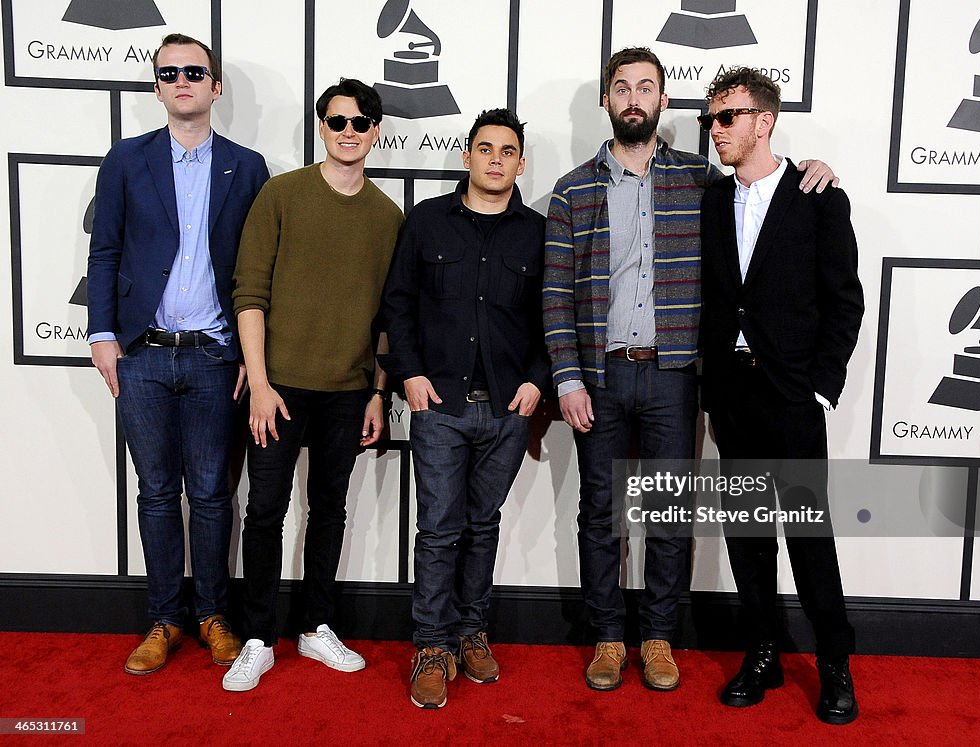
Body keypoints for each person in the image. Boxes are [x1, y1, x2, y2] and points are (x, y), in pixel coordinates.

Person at [542, 47, 837, 692]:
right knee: (602, 513)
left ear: (663, 102)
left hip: (677, 375)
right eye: (621, 87)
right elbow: (555, 294)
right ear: (606, 101)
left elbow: (770, 194)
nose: (633, 98)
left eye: (646, 87)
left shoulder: (703, 185)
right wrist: (565, 377)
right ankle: (608, 638)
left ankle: (658, 638)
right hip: (599, 377)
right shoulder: (570, 191)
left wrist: (814, 168)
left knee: (671, 512)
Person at [86, 33, 269, 675]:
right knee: (158, 492)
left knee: (214, 494)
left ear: (215, 86)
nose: (183, 80)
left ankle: (214, 616)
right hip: (140, 354)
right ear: (157, 87)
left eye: (196, 72)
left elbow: (257, 268)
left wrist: (255, 350)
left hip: (216, 355)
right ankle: (164, 619)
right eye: (171, 73)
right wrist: (102, 334)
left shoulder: (247, 166)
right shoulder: (125, 161)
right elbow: (104, 251)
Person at [221, 78, 403, 692]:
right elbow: (249, 292)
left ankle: (316, 624)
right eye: (337, 120)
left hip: (348, 393)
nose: (348, 132)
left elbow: (388, 320)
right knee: (265, 510)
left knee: (330, 508)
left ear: (376, 132)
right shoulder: (281, 194)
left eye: (360, 122)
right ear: (321, 126)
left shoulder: (387, 216)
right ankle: (256, 637)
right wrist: (263, 382)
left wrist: (378, 391)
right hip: (278, 389)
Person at [698, 67, 864, 725]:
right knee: (746, 533)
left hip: (793, 396)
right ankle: (762, 650)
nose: (716, 129)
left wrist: (821, 389)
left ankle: (834, 662)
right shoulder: (711, 199)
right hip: (732, 396)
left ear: (764, 120)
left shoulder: (818, 197)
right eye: (712, 118)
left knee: (808, 534)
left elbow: (843, 303)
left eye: (729, 116)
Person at [379, 108, 548, 709]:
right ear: (467, 155)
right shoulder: (427, 222)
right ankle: (431, 644)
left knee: (482, 526)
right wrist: (410, 375)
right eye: (485, 148)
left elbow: (551, 316)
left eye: (507, 150)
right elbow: (396, 304)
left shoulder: (539, 231)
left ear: (520, 162)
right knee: (439, 528)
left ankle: (471, 631)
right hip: (440, 405)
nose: (496, 158)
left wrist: (537, 381)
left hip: (508, 406)